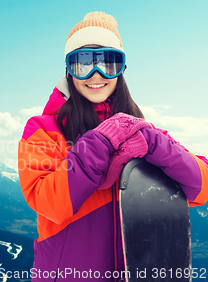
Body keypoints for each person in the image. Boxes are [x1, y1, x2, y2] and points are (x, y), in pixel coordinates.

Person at [18, 11, 208, 281]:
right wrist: (101, 142)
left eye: (108, 63)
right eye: (82, 64)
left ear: (121, 71)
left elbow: (201, 187)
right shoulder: (43, 129)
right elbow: (49, 202)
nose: (96, 75)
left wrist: (155, 144)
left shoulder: (143, 132)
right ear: (69, 72)